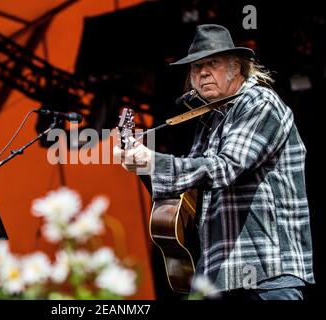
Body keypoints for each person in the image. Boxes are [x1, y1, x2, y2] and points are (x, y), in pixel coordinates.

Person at [114, 24, 315, 300]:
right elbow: (187, 192)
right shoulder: (211, 121)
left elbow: (226, 167)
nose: (203, 72)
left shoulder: (259, 103)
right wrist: (142, 165)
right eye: (196, 68)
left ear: (238, 68)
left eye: (213, 63)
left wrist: (154, 162)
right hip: (218, 277)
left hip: (266, 276)